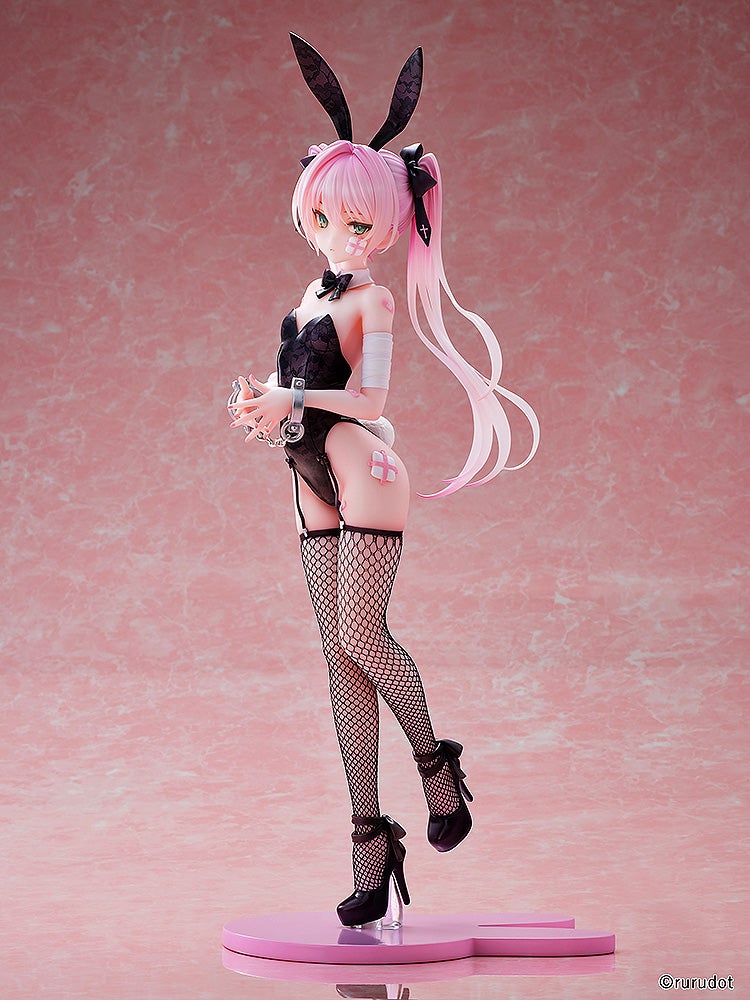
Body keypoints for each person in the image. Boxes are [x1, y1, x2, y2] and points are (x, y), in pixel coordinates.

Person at [228, 35, 539, 927]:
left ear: (390, 226)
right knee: (337, 658)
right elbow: (291, 390)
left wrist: (289, 397)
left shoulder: (373, 300)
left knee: (363, 635)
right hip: (305, 472)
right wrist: (263, 406)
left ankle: (437, 768)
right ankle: (372, 843)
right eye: (327, 218)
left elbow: (369, 399)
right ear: (308, 211)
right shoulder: (305, 300)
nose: (341, 235)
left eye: (359, 224)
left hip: (362, 464)